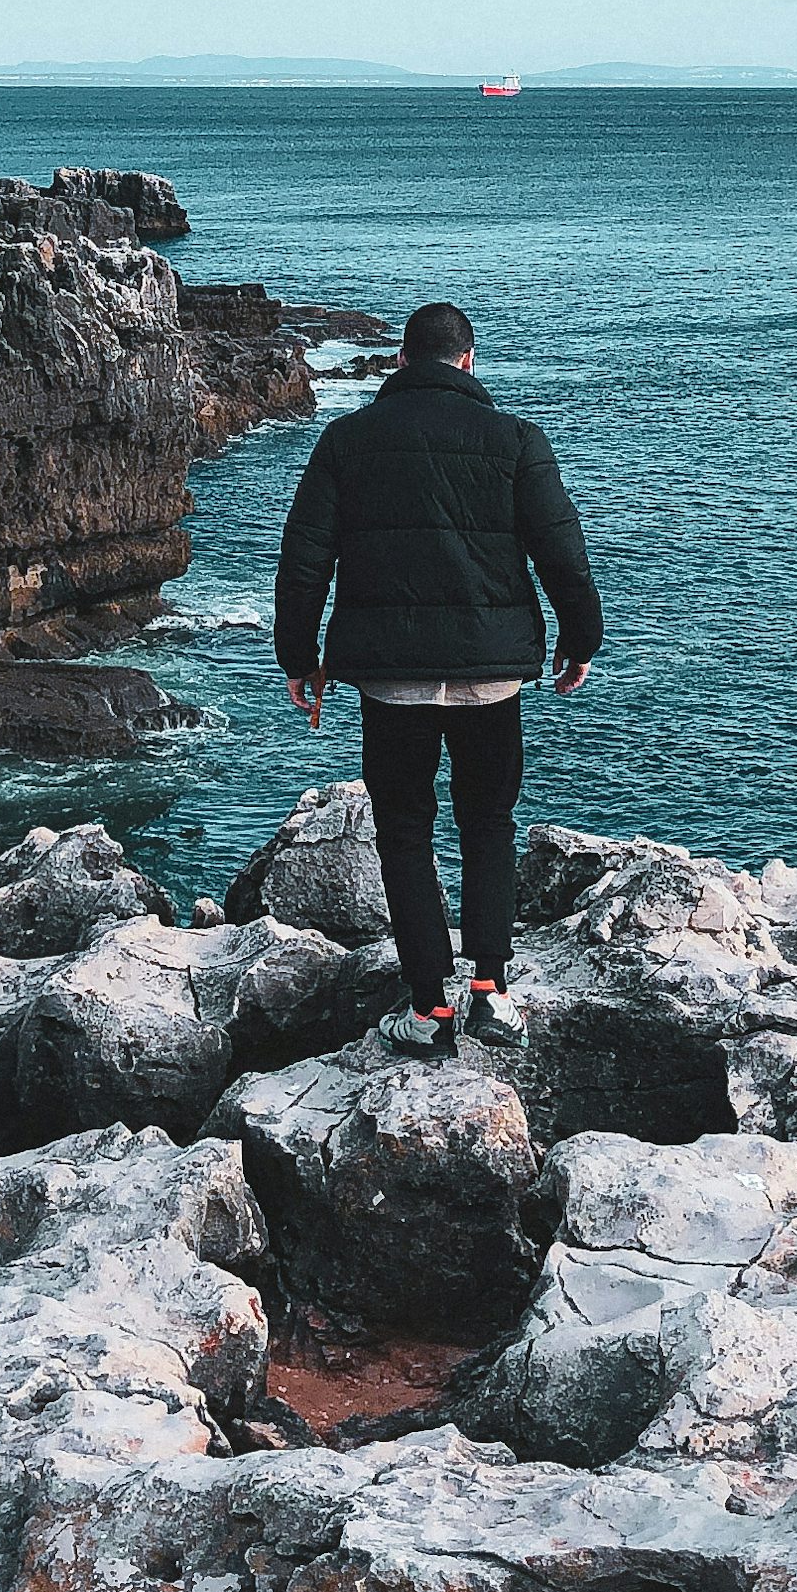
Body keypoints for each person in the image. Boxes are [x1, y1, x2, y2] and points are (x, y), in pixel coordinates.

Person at [273, 300, 602, 1057]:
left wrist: (301, 660)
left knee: (405, 831)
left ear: (398, 362)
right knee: (488, 823)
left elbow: (303, 561)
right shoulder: (517, 440)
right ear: (468, 361)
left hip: (391, 683)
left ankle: (428, 1010)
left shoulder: (347, 440)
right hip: (491, 675)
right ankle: (490, 990)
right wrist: (582, 639)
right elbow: (562, 552)